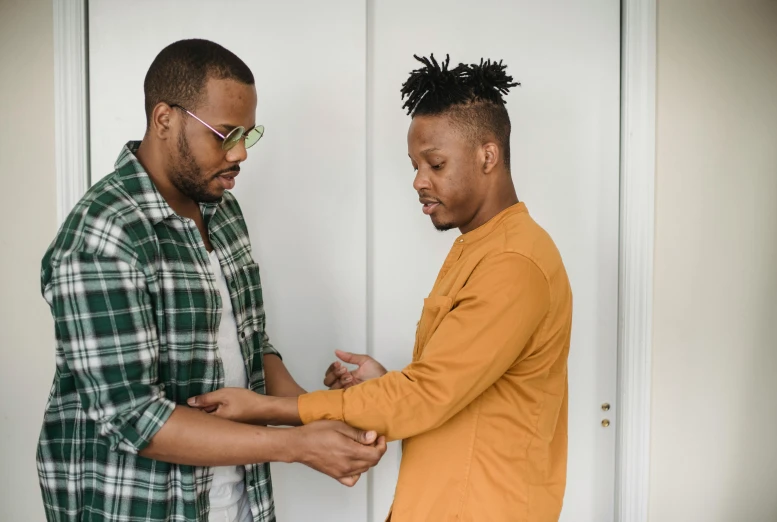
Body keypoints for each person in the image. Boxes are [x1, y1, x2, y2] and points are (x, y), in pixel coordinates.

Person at [190, 54, 573, 521]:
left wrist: (271, 408)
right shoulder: (480, 247)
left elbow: (426, 396)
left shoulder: (514, 262)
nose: (418, 181)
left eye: (435, 164)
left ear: (487, 155)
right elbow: (449, 386)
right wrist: (388, 384)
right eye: (415, 165)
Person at [37, 39, 386, 522]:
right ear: (164, 119)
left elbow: (252, 346)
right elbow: (134, 418)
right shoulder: (104, 234)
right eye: (224, 134)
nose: (240, 152)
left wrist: (324, 413)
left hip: (238, 503)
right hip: (139, 509)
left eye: (247, 133)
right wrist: (297, 446)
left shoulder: (222, 212)